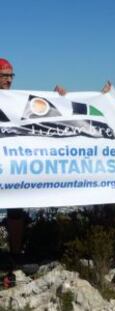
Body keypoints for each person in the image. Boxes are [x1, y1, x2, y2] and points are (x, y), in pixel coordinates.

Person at [0, 58, 27, 265]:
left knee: (16, 209)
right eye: (4, 75)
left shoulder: (16, 101)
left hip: (11, 166)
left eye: (11, 75)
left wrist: (58, 97)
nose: (9, 80)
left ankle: (15, 255)